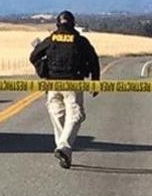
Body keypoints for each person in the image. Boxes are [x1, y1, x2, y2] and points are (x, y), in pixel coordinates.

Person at [29, 10, 101, 169]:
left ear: (57, 24)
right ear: (73, 24)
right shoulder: (80, 41)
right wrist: (95, 82)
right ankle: (64, 147)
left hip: (53, 84)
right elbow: (94, 61)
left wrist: (43, 70)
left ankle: (64, 150)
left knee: (58, 115)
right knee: (75, 115)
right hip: (73, 84)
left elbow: (33, 56)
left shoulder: (51, 39)